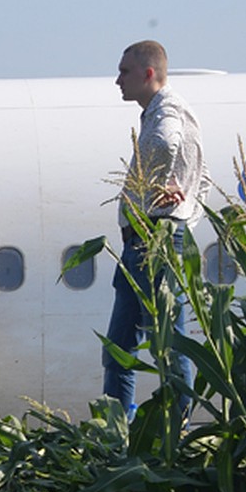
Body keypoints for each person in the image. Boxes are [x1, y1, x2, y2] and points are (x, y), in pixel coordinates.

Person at [102, 39, 208, 416]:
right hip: (142, 242)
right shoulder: (159, 112)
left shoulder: (167, 112)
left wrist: (163, 182)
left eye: (124, 71)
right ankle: (118, 429)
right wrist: (187, 196)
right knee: (119, 348)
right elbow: (203, 174)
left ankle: (173, 432)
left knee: (169, 342)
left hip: (154, 241)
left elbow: (166, 144)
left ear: (149, 74)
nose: (117, 80)